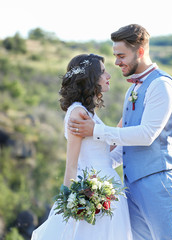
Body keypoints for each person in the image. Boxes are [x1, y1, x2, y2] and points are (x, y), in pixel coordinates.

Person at [68, 24, 172, 239]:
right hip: (129, 187)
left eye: (121, 55)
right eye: (115, 55)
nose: (116, 62)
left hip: (158, 183)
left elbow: (146, 135)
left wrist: (97, 131)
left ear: (140, 52)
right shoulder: (132, 89)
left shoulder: (161, 85)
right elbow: (124, 144)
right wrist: (99, 167)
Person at [31, 54, 133, 240]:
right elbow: (72, 163)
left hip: (107, 188)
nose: (109, 75)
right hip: (92, 192)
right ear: (90, 79)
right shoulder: (78, 112)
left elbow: (102, 151)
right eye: (103, 72)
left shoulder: (87, 112)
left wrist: (125, 124)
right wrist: (69, 202)